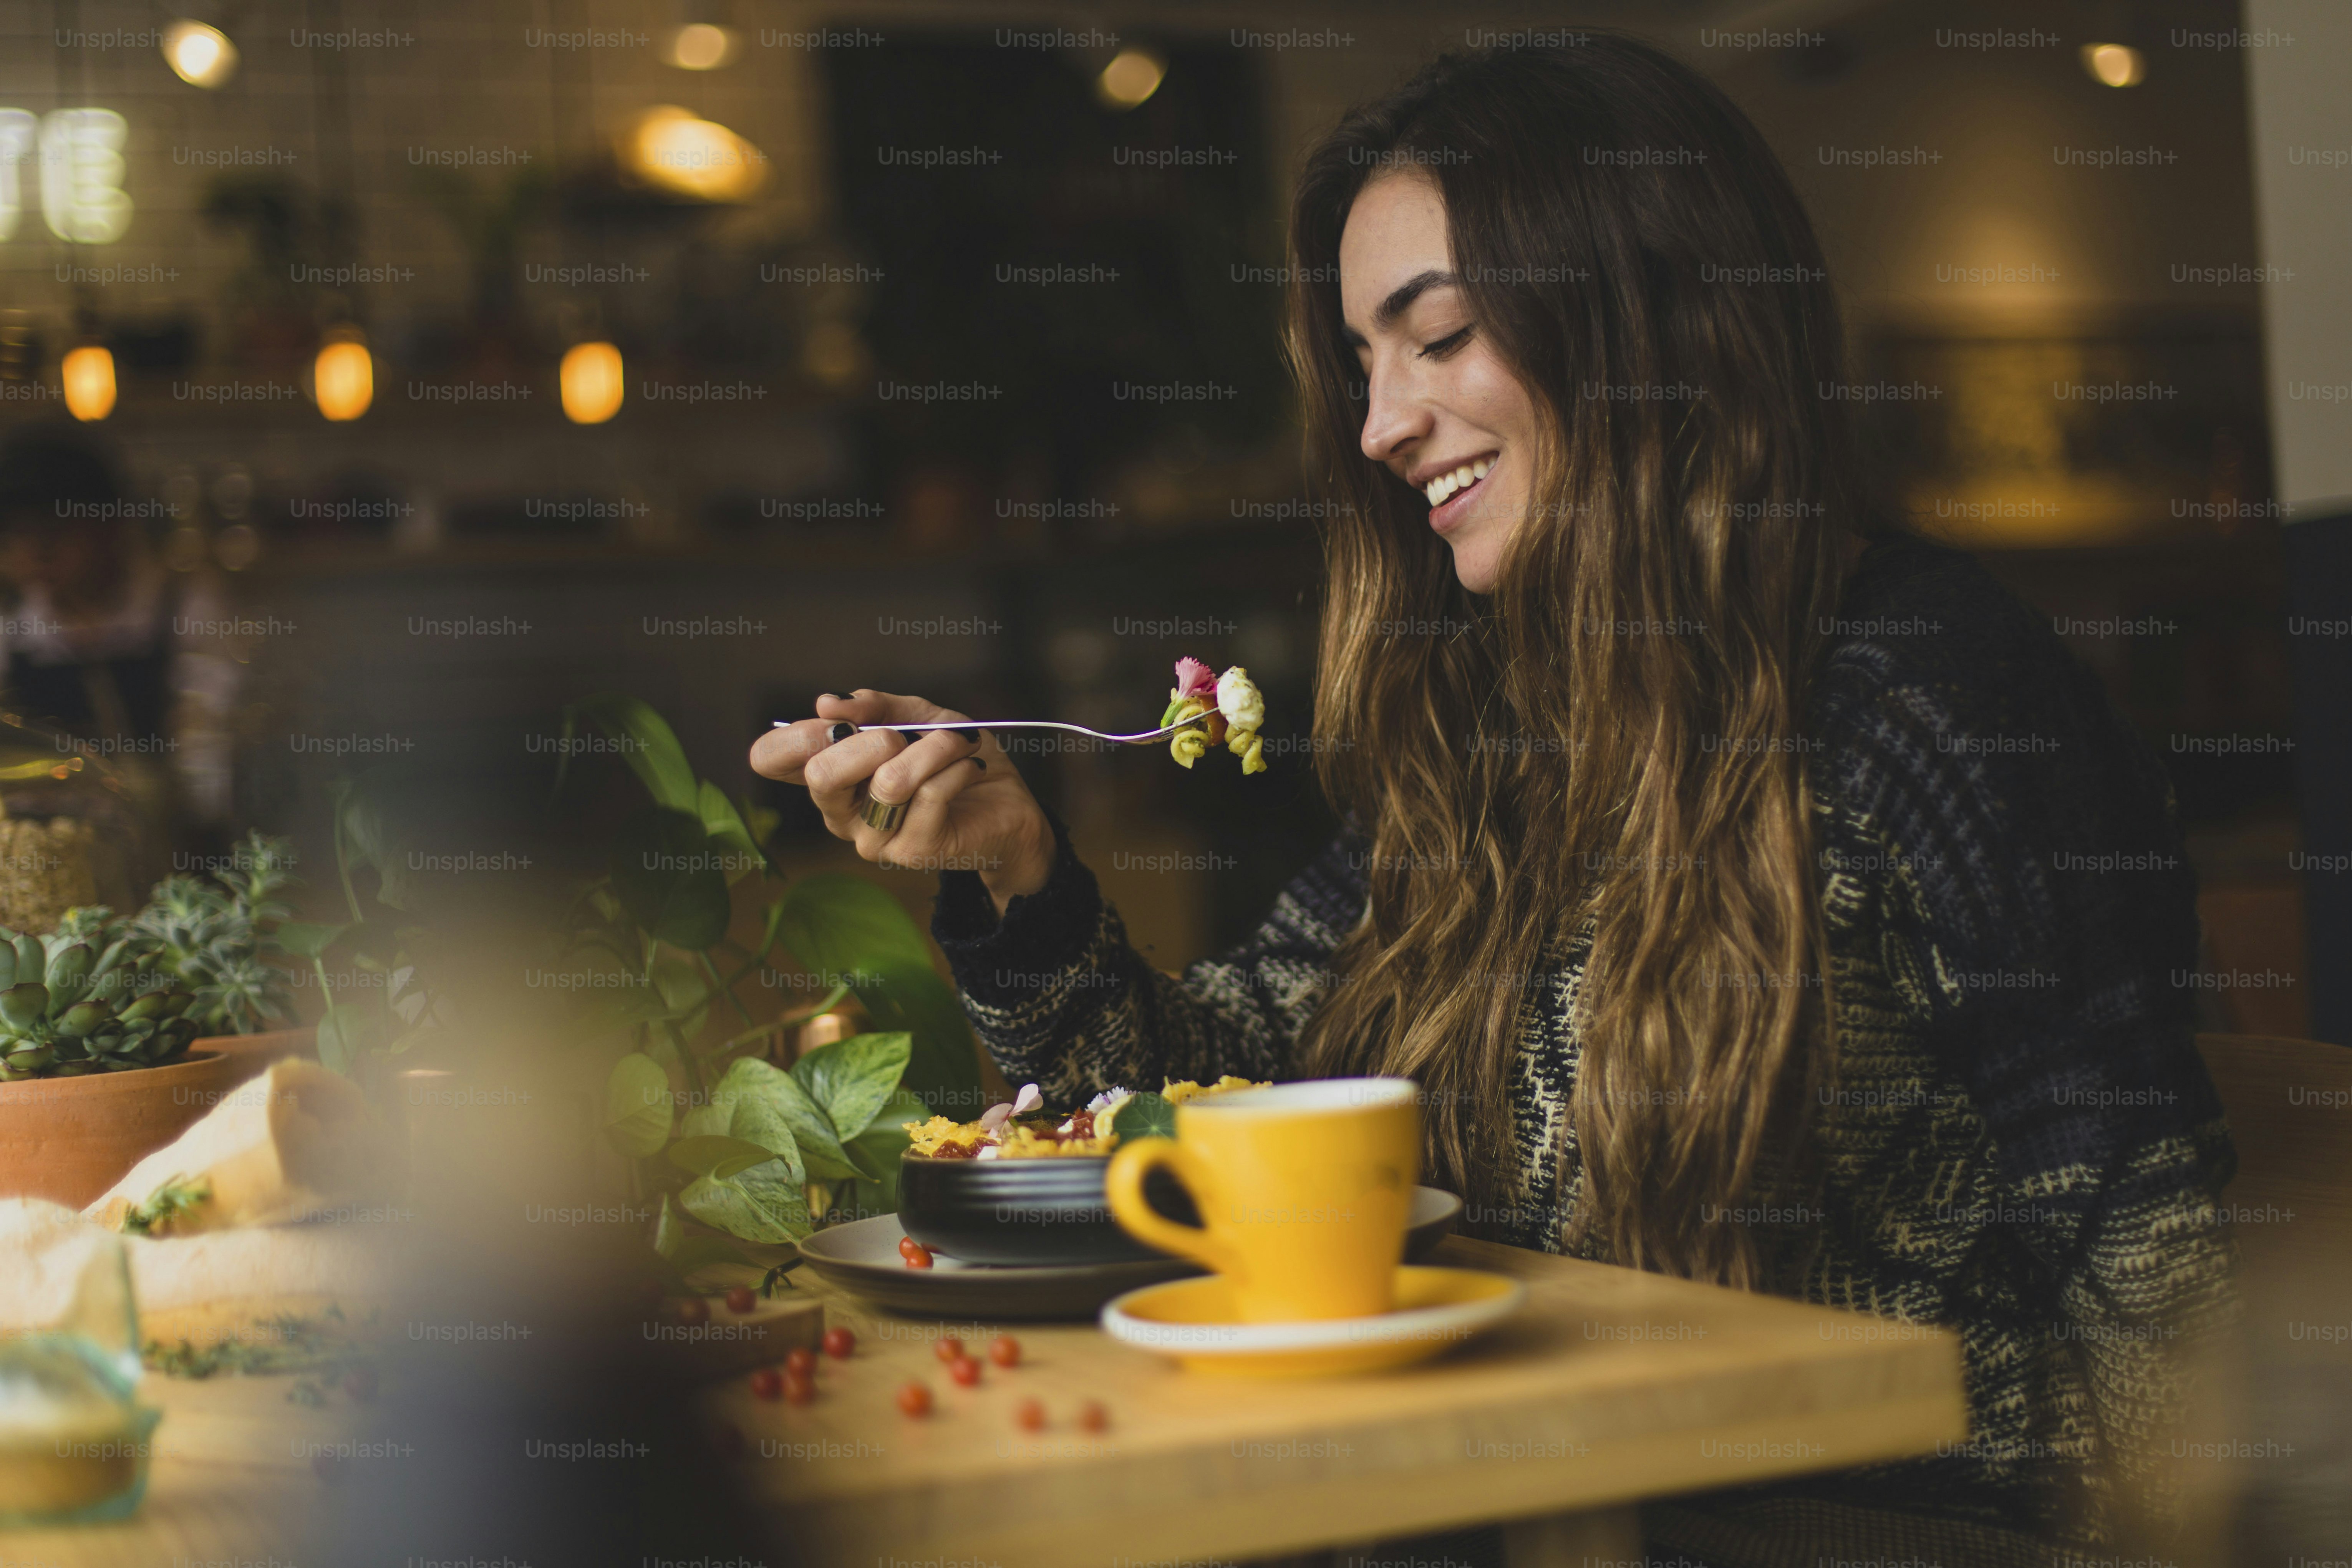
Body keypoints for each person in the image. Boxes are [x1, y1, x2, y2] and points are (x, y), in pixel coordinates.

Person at [751, 37, 2236, 1568]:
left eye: (1438, 333)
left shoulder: (1937, 701)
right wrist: (1018, 869)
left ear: (1650, 318)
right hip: (1504, 1507)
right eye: (1363, 360)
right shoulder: (1499, 726)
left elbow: (2149, 1306)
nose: (1382, 422)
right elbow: (1215, 1115)